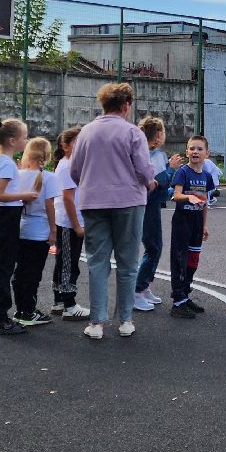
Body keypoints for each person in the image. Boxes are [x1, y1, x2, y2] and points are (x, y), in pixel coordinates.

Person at [70, 83, 158, 341]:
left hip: (93, 201)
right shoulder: (133, 132)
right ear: (126, 105)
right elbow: (144, 169)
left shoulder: (86, 132)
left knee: (97, 261)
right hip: (128, 201)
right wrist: (150, 182)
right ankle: (126, 320)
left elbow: (76, 170)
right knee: (128, 262)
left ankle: (96, 322)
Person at [0, 118, 37, 336]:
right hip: (6, 218)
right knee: (3, 268)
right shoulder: (5, 163)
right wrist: (25, 195)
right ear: (13, 140)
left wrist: (16, 199)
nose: (27, 140)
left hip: (3, 216)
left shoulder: (1, 160)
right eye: (25, 137)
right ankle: (0, 319)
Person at [11, 136, 59, 328]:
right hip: (40, 231)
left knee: (20, 271)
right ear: (46, 156)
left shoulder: (19, 175)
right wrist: (54, 230)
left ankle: (21, 308)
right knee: (34, 273)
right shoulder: (49, 178)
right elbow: (50, 206)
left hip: (21, 227)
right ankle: (28, 311)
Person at [165, 134, 213, 318]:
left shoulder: (207, 176)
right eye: (192, 148)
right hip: (182, 221)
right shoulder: (183, 172)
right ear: (187, 152)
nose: (195, 151)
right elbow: (176, 196)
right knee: (180, 260)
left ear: (206, 154)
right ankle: (177, 302)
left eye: (200, 149)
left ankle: (185, 295)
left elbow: (205, 202)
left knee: (193, 261)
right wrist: (188, 197)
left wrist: (205, 225)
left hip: (197, 222)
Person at [132, 117, 173, 314]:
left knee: (154, 246)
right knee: (153, 247)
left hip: (148, 204)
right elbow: (158, 182)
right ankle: (137, 289)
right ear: (158, 135)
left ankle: (145, 285)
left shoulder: (144, 153)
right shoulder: (155, 155)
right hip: (147, 205)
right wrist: (172, 168)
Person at [50, 126, 88, 320]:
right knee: (69, 263)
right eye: (77, 142)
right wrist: (77, 225)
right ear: (65, 146)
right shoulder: (67, 166)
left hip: (68, 221)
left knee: (63, 261)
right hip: (68, 222)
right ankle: (69, 304)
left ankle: (58, 301)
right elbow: (67, 198)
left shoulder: (71, 164)